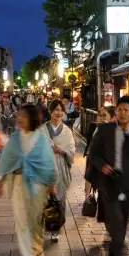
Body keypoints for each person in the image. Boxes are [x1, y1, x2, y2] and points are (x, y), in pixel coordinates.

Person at [87, 96, 129, 256]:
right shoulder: (104, 129)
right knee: (115, 220)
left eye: (126, 110)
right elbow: (93, 154)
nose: (122, 113)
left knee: (122, 222)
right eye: (119, 109)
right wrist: (102, 166)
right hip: (108, 182)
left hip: (127, 182)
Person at [0, 104, 57, 256]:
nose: (19, 118)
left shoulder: (41, 139)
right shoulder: (15, 138)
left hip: (38, 184)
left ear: (32, 118)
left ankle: (37, 249)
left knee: (36, 219)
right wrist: (1, 180)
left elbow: (49, 163)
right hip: (17, 182)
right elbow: (6, 159)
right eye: (19, 115)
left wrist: (52, 183)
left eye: (23, 115)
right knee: (21, 220)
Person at [42, 99, 76, 242]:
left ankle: (56, 228)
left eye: (61, 110)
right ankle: (46, 226)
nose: (59, 113)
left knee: (59, 199)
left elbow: (72, 150)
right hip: (45, 167)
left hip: (60, 166)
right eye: (56, 110)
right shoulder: (42, 129)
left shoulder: (67, 131)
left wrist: (61, 150)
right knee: (44, 199)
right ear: (50, 111)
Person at [83, 106, 115, 198]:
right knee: (89, 178)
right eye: (100, 115)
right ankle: (87, 198)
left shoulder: (114, 130)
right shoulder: (94, 126)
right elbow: (89, 143)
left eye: (104, 116)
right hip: (92, 157)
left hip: (105, 162)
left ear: (112, 117)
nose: (101, 118)